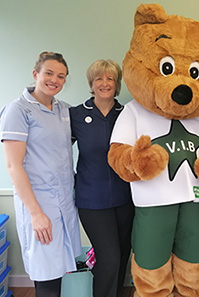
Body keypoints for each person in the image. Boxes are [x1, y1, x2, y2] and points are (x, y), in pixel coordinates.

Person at [0, 51, 81, 297]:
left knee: (58, 269)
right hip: (39, 205)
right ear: (36, 74)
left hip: (64, 204)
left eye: (61, 76)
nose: (54, 80)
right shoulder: (18, 110)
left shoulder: (63, 110)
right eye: (49, 73)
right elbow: (14, 166)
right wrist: (36, 214)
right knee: (46, 274)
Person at [69, 59, 134, 297]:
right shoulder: (75, 115)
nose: (104, 83)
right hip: (92, 200)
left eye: (110, 79)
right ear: (91, 83)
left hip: (125, 198)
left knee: (121, 256)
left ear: (116, 84)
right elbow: (57, 151)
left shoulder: (127, 113)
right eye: (99, 78)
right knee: (109, 258)